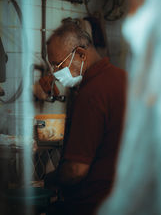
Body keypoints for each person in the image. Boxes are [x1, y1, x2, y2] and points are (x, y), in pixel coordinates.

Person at [44, 21, 127, 215]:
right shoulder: (123, 78)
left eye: (58, 64)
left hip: (95, 205)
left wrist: (50, 180)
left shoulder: (92, 93)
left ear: (81, 55)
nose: (55, 73)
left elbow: (76, 170)